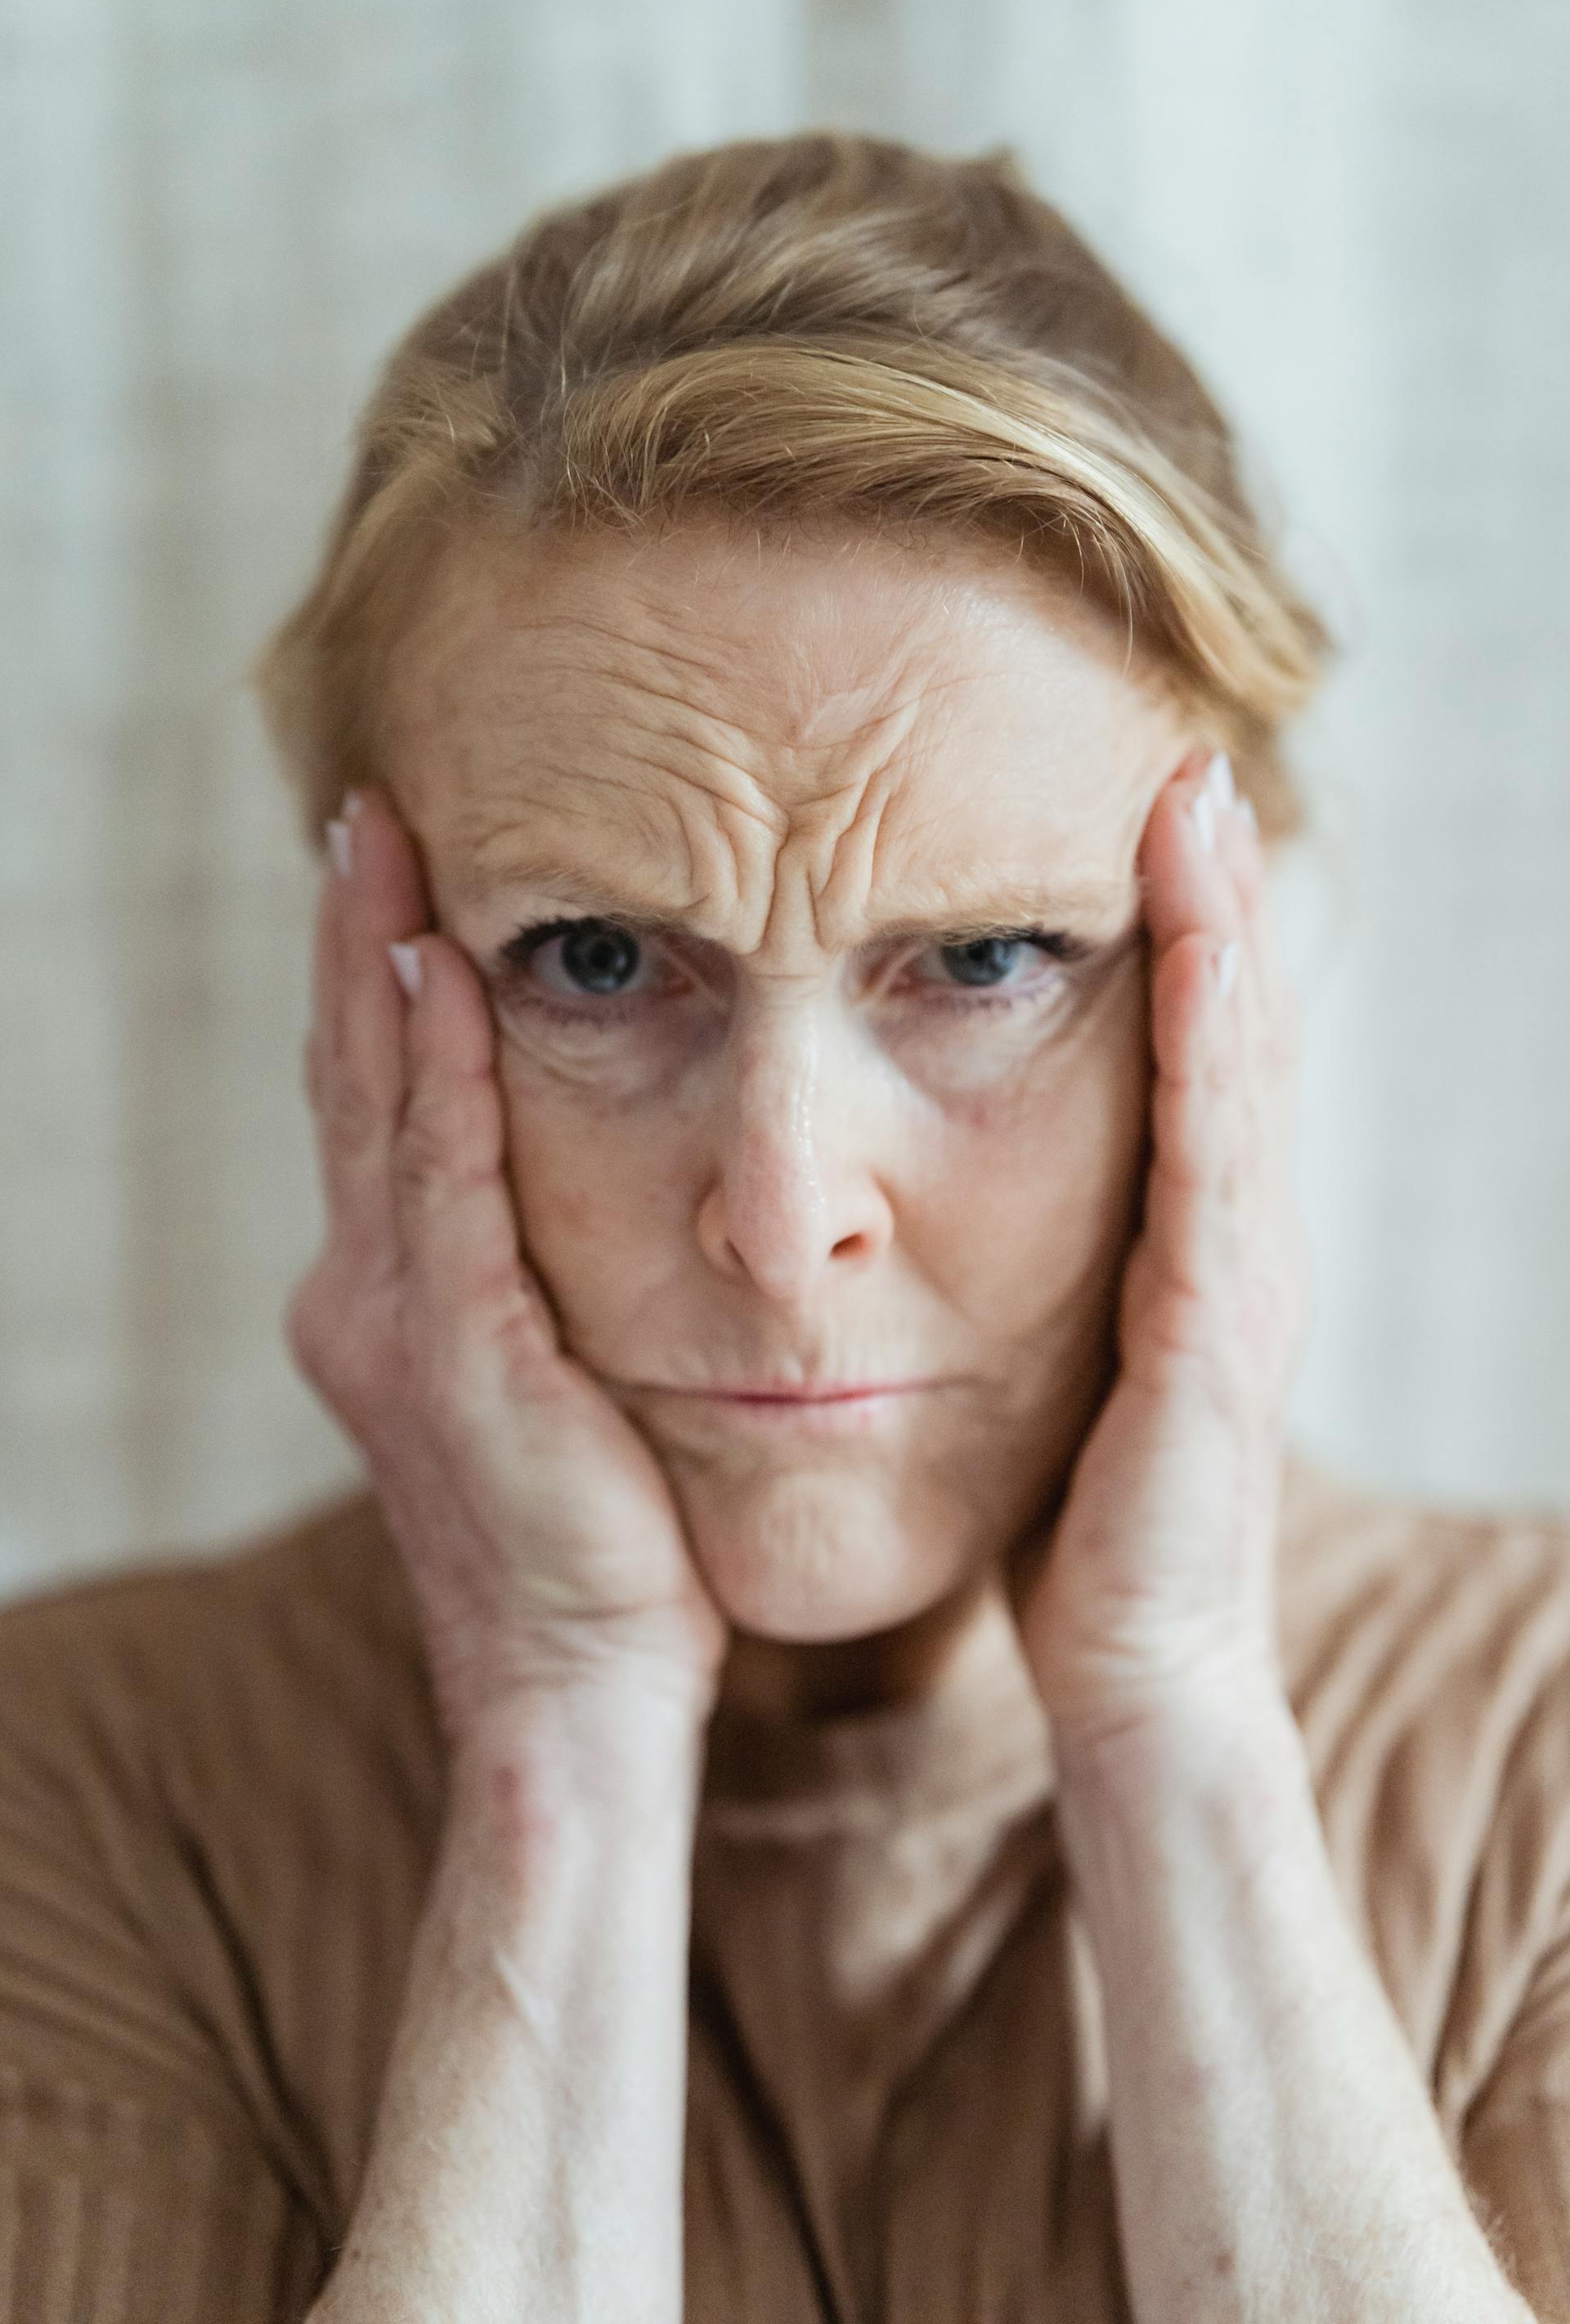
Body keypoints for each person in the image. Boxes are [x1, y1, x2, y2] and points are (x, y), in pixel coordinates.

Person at [0, 132, 1564, 2324]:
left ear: (1230, 982)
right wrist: (562, 1724)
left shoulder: (1542, 1763)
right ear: (371, 995)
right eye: (601, 966)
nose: (783, 1213)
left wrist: (1182, 1726)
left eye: (993, 960)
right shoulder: (74, 1798)